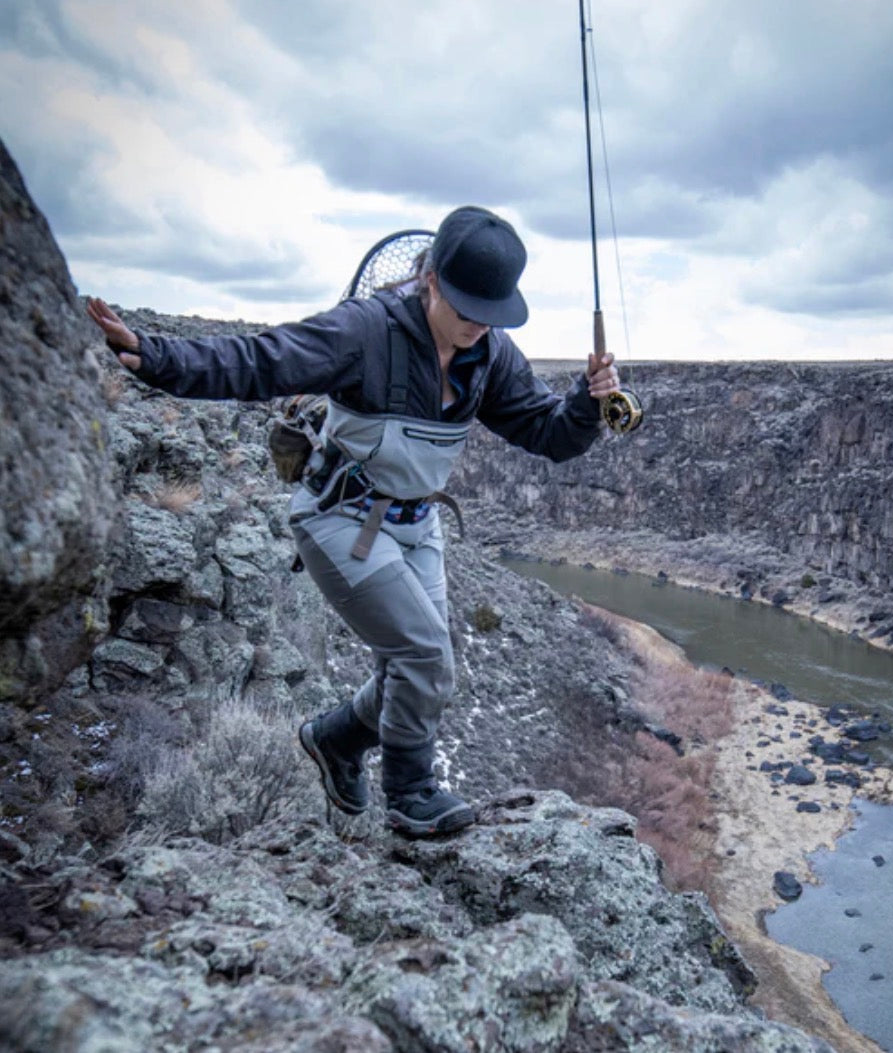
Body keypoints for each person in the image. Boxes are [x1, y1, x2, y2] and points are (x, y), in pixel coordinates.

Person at [87, 205, 620, 838]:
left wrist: (587, 404)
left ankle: (336, 740)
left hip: (417, 526)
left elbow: (548, 434)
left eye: (491, 313)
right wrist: (156, 356)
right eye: (466, 308)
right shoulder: (365, 331)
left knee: (420, 665)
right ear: (431, 280)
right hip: (340, 516)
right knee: (424, 655)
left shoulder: (490, 355)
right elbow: (261, 360)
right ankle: (410, 793)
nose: (478, 324)